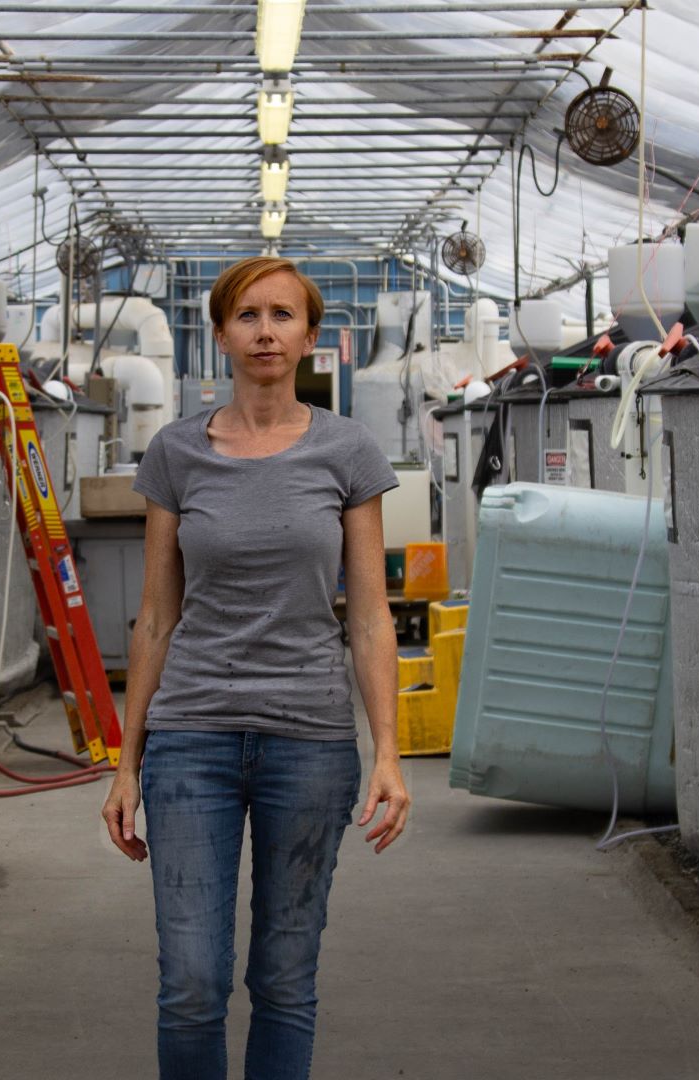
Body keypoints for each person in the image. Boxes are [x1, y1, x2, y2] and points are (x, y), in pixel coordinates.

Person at [100, 255, 411, 1080]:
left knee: (284, 979)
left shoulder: (349, 450)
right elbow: (156, 617)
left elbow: (370, 616)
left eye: (282, 315)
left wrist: (388, 751)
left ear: (311, 337)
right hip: (189, 739)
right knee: (191, 983)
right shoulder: (175, 453)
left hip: (309, 742)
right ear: (220, 335)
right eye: (247, 316)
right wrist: (126, 764)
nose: (265, 332)